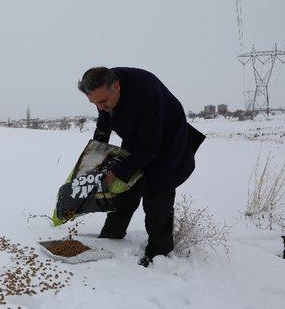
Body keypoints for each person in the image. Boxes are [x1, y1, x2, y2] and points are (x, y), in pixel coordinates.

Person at [78, 67, 205, 267]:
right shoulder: (102, 92)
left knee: (157, 194)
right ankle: (112, 234)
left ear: (117, 86)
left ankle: (159, 252)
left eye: (102, 102)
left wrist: (116, 173)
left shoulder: (146, 92)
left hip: (167, 142)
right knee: (125, 189)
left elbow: (149, 148)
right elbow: (104, 122)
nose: (100, 107)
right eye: (95, 103)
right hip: (138, 137)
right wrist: (97, 154)